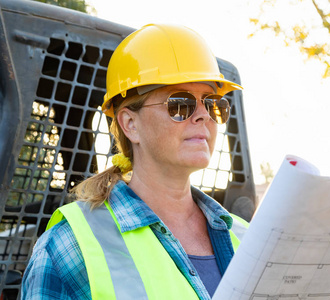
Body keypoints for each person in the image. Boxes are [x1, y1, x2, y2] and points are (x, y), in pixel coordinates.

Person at [21, 23, 248, 300]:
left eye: (212, 103)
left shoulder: (247, 238)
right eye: (180, 104)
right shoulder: (69, 248)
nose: (204, 116)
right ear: (130, 124)